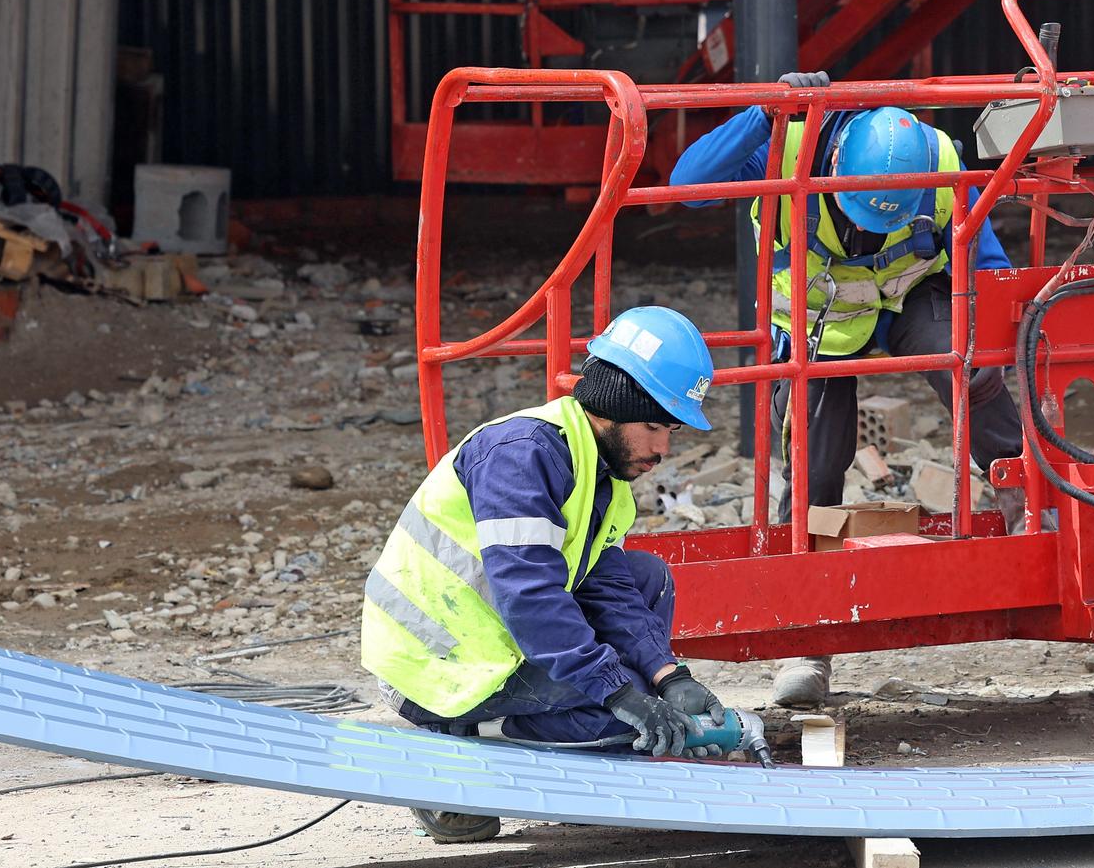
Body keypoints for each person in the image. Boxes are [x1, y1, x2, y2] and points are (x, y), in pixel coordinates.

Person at [668, 72, 1030, 708]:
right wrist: (765, 113)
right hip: (818, 324)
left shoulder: (935, 161)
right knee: (817, 454)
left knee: (970, 368)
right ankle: (806, 634)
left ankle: (1033, 500)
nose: (868, 232)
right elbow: (685, 186)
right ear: (832, 161)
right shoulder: (786, 148)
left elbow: (989, 263)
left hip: (910, 302)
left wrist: (992, 341)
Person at [362, 307, 727, 844]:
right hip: (439, 671)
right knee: (623, 725)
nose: (662, 449)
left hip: (497, 644)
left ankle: (553, 734)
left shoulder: (598, 470)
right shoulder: (521, 456)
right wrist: (618, 691)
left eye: (669, 430)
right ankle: (458, 755)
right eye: (653, 427)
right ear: (612, 406)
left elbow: (610, 591)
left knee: (646, 578)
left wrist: (666, 677)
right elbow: (531, 596)